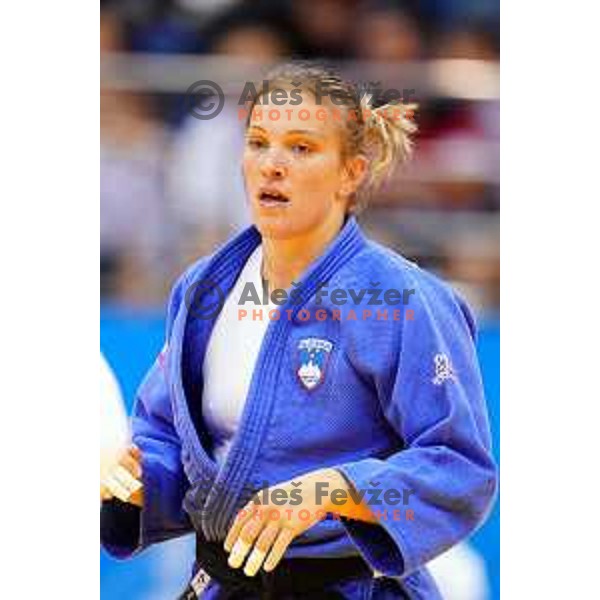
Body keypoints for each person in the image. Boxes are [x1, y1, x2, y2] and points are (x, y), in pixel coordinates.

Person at [101, 63, 497, 599]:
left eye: (302, 148)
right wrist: (142, 481)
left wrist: (337, 489)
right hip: (223, 582)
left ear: (350, 173)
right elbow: (164, 434)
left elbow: (460, 467)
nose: (272, 165)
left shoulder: (404, 300)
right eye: (259, 143)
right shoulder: (203, 289)